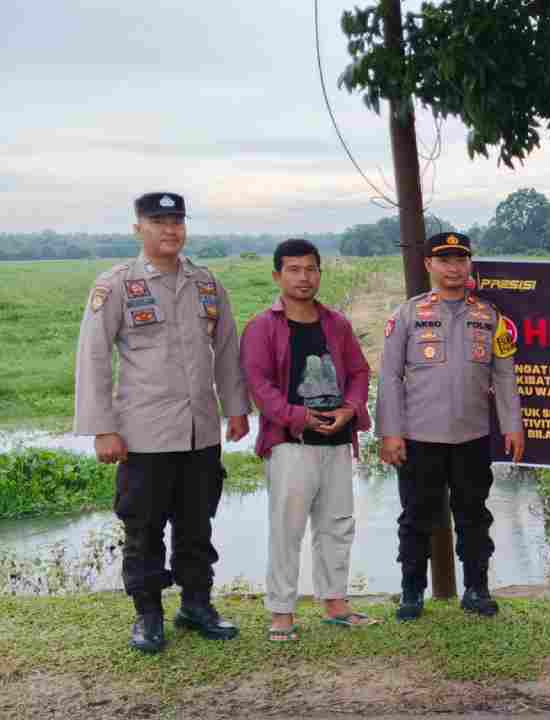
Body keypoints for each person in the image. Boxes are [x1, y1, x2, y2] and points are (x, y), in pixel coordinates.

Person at [74, 192, 250, 653]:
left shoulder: (207, 284)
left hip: (200, 432)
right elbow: (93, 357)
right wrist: (103, 428)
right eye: (158, 221)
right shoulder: (116, 286)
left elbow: (227, 350)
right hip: (143, 434)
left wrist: (235, 408)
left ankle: (196, 604)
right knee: (144, 528)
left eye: (177, 221)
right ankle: (148, 615)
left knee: (197, 525)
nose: (170, 230)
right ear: (139, 228)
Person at [376, 231, 525, 620]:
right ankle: (411, 593)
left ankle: (477, 589)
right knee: (415, 518)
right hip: (419, 438)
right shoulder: (407, 315)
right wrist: (390, 432)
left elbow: (505, 376)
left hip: (471, 437)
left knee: (474, 516)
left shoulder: (489, 316)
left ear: (469, 264)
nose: (454, 267)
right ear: (429, 265)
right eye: (445, 260)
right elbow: (390, 377)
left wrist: (513, 426)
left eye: (461, 259)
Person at [239, 239, 375, 642]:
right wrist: (298, 416)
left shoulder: (336, 323)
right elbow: (258, 384)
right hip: (290, 443)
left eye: (311, 269)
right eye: (294, 270)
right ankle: (281, 611)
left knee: (337, 524)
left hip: (336, 440)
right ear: (278, 276)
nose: (304, 277)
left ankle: (335, 603)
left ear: (319, 273)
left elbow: (359, 372)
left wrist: (349, 409)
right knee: (287, 528)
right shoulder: (263, 326)